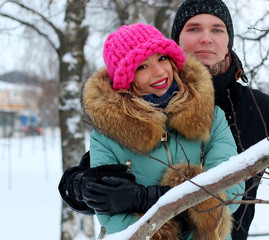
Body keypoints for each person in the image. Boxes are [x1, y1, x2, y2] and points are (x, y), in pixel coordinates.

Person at [58, 0, 269, 239]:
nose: (205, 38)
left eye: (217, 29)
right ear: (175, 41)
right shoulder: (135, 108)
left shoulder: (253, 106)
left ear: (228, 41)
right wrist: (82, 187)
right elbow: (93, 178)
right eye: (194, 28)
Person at [73, 22, 244, 239]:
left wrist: (151, 198)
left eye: (162, 58)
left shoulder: (211, 115)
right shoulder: (105, 136)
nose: (159, 72)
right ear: (127, 79)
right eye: (141, 67)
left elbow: (232, 189)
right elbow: (112, 219)